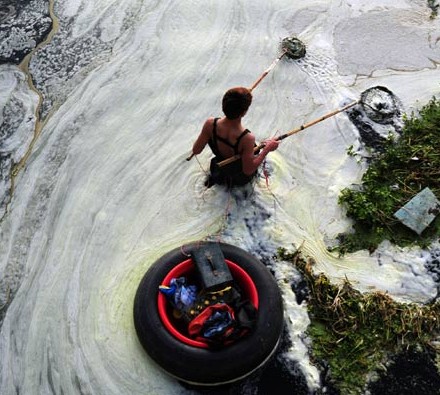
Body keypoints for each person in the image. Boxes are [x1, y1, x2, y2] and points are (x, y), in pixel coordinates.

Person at [192, 86, 279, 188]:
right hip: (239, 179)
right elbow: (248, 170)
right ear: (244, 112)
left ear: (223, 105)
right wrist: (267, 149)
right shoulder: (247, 138)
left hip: (219, 172)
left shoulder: (210, 124)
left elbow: (196, 150)